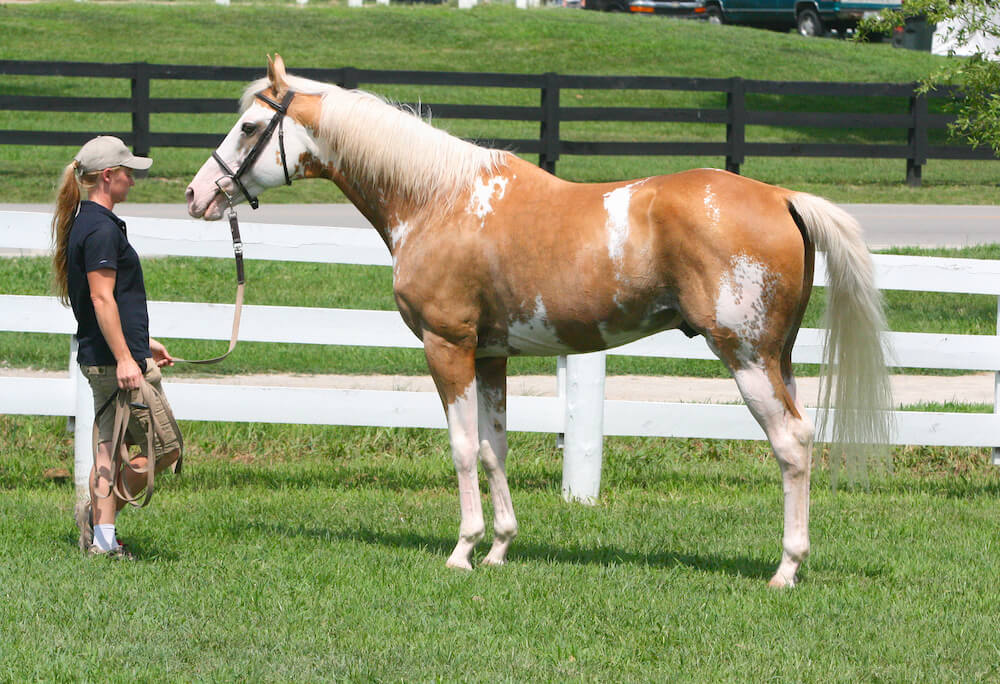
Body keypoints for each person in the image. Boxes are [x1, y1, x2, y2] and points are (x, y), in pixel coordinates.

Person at [51, 136, 182, 559]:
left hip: (110, 356)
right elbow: (101, 299)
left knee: (110, 448)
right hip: (114, 364)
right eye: (127, 172)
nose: (133, 179)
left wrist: (143, 344)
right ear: (108, 177)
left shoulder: (87, 222)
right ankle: (96, 521)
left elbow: (111, 302)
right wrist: (127, 357)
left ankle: (103, 536)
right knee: (164, 448)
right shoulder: (101, 229)